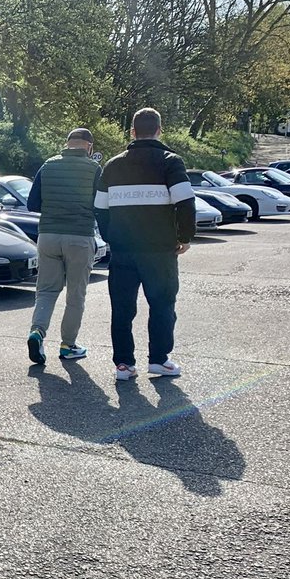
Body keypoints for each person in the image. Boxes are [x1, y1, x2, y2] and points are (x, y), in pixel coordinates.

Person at [94, 108, 195, 381]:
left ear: (132, 131)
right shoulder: (170, 162)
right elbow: (185, 202)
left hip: (123, 250)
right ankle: (159, 361)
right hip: (160, 250)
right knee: (162, 304)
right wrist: (184, 237)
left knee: (122, 308)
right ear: (160, 130)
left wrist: (110, 235)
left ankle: (124, 365)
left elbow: (100, 208)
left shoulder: (113, 166)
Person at [24, 127, 104, 365]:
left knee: (46, 291)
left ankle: (37, 332)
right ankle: (68, 345)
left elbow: (32, 204)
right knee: (75, 295)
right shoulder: (94, 169)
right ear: (89, 146)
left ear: (67, 143)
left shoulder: (48, 165)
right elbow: (100, 204)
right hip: (79, 236)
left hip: (48, 235)